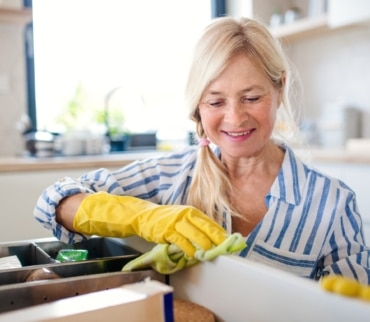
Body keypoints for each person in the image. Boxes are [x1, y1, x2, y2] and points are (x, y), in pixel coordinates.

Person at [34, 16, 370, 284]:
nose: (235, 118)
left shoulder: (333, 205)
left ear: (279, 88)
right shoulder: (170, 178)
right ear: (198, 104)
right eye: (215, 101)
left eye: (252, 98)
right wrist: (143, 217)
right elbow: (54, 201)